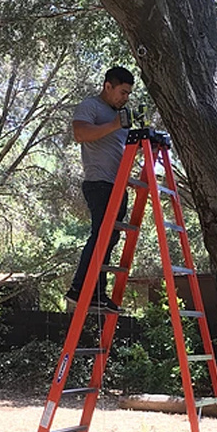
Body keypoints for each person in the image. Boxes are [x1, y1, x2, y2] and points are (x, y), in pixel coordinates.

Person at [65, 66, 136, 315]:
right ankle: (78, 289)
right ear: (108, 86)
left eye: (128, 94)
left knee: (110, 239)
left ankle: (96, 293)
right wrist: (116, 124)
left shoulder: (121, 116)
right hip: (99, 184)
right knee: (101, 236)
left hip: (118, 185)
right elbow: (80, 133)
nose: (125, 98)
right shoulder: (91, 106)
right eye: (123, 92)